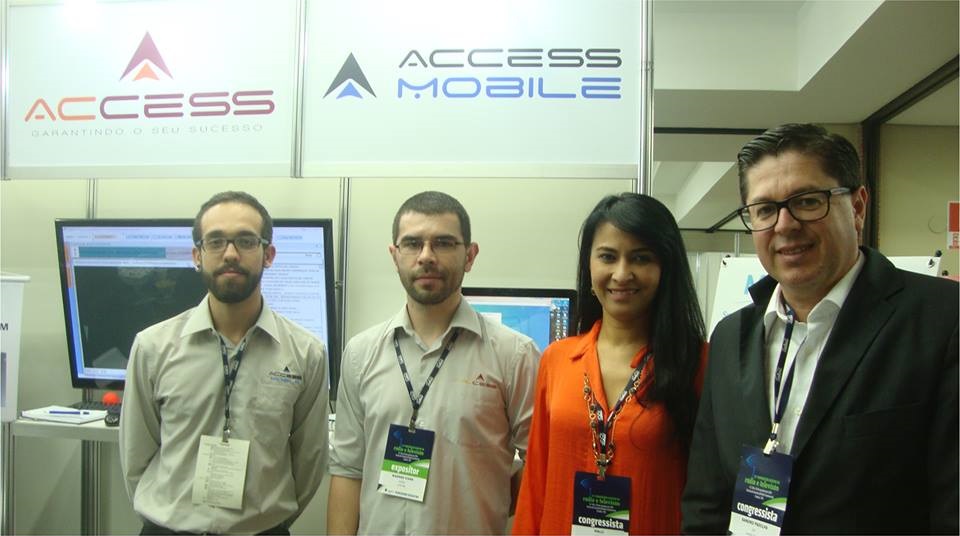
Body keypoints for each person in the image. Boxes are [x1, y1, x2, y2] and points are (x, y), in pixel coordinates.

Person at [682, 123, 959, 534]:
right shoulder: (728, 338)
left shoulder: (943, 319)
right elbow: (707, 502)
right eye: (765, 210)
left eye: (808, 201)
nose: (785, 225)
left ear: (858, 207)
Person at [327, 191, 539, 535]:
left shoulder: (515, 356)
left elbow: (539, 466)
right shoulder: (360, 353)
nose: (426, 256)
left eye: (443, 243)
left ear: (470, 256)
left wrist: (490, 497)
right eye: (412, 244)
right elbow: (348, 469)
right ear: (395, 255)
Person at [119, 191, 329, 535]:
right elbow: (135, 457)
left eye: (246, 241)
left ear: (269, 255)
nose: (230, 253)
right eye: (215, 241)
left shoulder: (306, 353)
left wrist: (268, 523)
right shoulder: (153, 347)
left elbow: (309, 460)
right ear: (197, 255)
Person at [512, 193, 707, 535]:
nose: (622, 273)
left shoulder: (697, 362)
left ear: (665, 267)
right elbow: (535, 483)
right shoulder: (557, 359)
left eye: (641, 258)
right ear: (589, 265)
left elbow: (707, 492)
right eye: (608, 256)